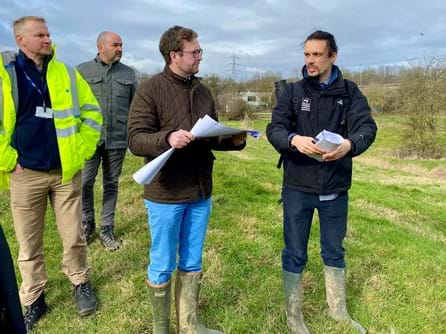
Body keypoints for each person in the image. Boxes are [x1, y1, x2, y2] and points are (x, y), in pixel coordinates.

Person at [128, 25, 246, 334]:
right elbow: (135, 139)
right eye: (195, 53)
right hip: (166, 192)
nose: (200, 57)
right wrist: (167, 137)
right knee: (163, 262)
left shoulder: (204, 91)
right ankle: (161, 329)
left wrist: (232, 139)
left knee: (192, 260)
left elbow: (209, 135)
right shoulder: (150, 90)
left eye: (199, 51)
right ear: (174, 55)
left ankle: (190, 326)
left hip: (200, 189)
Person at [266, 30, 377, 334]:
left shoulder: (350, 92)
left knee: (334, 249)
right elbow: (274, 128)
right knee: (295, 252)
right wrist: (293, 139)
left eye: (317, 54)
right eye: (306, 55)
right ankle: (294, 316)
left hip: (335, 185)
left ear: (333, 56)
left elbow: (366, 127)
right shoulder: (292, 92)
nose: (310, 61)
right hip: (297, 186)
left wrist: (350, 145)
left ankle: (338, 313)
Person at [0, 16, 102, 331]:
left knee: (73, 235)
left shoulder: (66, 73)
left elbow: (92, 112)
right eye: (40, 35)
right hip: (25, 173)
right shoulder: (6, 75)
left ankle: (81, 283)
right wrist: (9, 160)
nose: (48, 39)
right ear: (21, 40)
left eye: (48, 33)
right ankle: (33, 298)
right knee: (28, 243)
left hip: (65, 172)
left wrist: (81, 150)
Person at [77, 31, 137, 250]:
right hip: (90, 139)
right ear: (101, 47)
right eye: (115, 45)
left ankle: (106, 229)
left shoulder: (129, 74)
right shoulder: (82, 71)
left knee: (111, 184)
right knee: (85, 182)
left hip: (117, 139)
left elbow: (135, 107)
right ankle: (87, 222)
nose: (120, 49)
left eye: (121, 45)